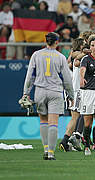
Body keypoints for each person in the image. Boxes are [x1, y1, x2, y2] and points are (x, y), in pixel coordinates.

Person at [21, 32, 74, 160]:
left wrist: (26, 93)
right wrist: (71, 95)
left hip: (40, 91)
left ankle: (45, 149)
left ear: (46, 41)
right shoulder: (60, 57)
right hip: (55, 91)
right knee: (53, 123)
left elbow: (30, 76)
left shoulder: (36, 55)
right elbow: (67, 79)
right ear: (57, 42)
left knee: (43, 121)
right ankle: (51, 152)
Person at [59, 37, 85, 152]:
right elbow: (75, 57)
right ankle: (65, 141)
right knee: (76, 117)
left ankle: (71, 140)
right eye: (84, 44)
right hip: (77, 91)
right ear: (80, 46)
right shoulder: (78, 55)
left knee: (76, 117)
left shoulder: (76, 55)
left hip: (73, 90)